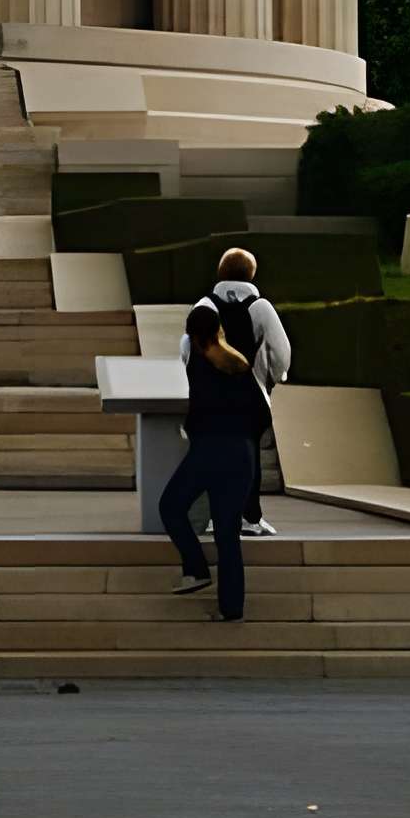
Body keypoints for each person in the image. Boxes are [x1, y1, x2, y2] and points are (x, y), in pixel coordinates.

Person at [160, 263, 275, 622]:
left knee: (171, 506)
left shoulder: (197, 364)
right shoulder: (240, 365)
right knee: (228, 534)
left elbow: (197, 408)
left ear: (194, 337)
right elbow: (257, 410)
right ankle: (232, 608)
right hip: (241, 453)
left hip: (210, 449)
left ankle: (195, 568)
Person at [175, 244, 291, 535]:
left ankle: (218, 516)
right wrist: (276, 376)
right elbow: (281, 349)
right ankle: (250, 517)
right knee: (247, 456)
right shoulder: (260, 307)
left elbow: (186, 346)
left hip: (210, 398)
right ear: (251, 274)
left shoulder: (204, 305)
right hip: (250, 396)